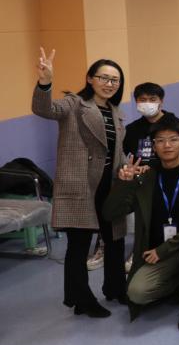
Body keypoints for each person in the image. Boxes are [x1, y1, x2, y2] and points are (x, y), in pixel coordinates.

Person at [33, 49, 128, 317]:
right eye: (104, 78)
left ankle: (116, 287)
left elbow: (115, 151)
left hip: (108, 185)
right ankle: (82, 299)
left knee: (115, 238)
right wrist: (45, 83)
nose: (109, 84)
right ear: (90, 78)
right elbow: (44, 109)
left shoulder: (115, 112)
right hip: (81, 185)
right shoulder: (74, 104)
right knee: (79, 245)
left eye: (115, 80)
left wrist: (125, 169)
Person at [104, 116, 179, 328]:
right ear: (154, 146)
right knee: (137, 293)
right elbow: (111, 213)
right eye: (160, 140)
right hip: (158, 253)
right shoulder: (145, 178)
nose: (167, 145)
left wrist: (164, 249)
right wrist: (124, 183)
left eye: (173, 139)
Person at [124, 82, 177, 166]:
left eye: (152, 99)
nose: (147, 103)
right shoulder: (130, 129)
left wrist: (151, 168)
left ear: (161, 101)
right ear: (136, 102)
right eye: (143, 100)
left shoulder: (176, 126)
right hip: (138, 173)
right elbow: (123, 156)